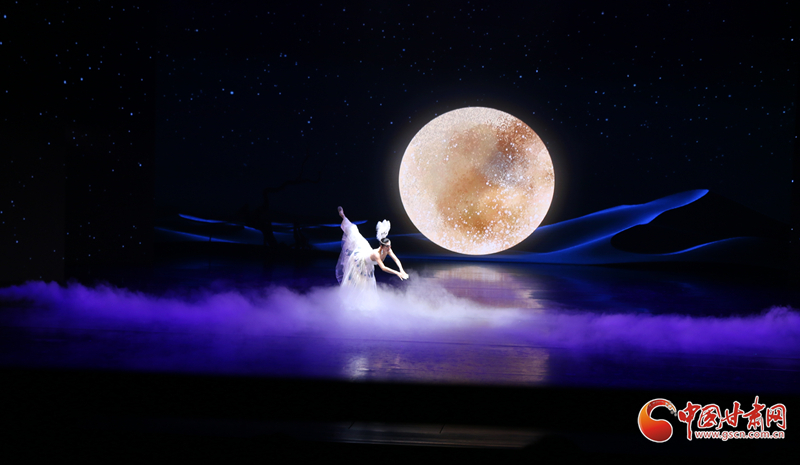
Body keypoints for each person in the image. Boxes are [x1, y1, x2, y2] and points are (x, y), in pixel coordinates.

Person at [335, 207, 408, 295]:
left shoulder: (388, 249)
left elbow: (396, 259)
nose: (389, 248)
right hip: (359, 261)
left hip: (366, 253)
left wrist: (401, 270)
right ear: (381, 246)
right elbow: (383, 268)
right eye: (387, 246)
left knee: (367, 286)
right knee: (353, 231)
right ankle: (343, 215)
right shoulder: (376, 254)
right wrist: (397, 273)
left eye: (390, 246)